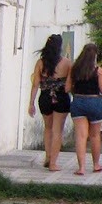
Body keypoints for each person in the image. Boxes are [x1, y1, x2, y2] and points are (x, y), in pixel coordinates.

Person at [65, 43, 102, 176]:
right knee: (95, 135)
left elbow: (67, 88)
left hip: (78, 102)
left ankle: (81, 168)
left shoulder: (74, 69)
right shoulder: (98, 70)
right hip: (94, 102)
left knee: (81, 136)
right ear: (95, 55)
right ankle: (96, 164)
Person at [27, 34, 71, 170]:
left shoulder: (40, 63)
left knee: (48, 128)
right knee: (57, 130)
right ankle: (53, 163)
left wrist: (31, 103)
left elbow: (35, 84)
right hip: (61, 98)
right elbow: (69, 86)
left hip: (45, 97)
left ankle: (47, 157)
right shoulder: (67, 63)